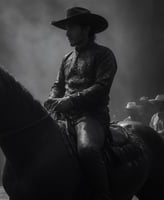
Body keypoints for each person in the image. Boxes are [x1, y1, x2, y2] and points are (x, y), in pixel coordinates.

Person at [44, 7, 117, 200]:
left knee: (87, 150)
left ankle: (103, 194)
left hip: (91, 116)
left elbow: (101, 87)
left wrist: (71, 100)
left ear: (86, 29)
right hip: (63, 116)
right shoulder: (66, 58)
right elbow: (57, 85)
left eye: (71, 28)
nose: (67, 33)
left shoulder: (104, 54)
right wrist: (53, 99)